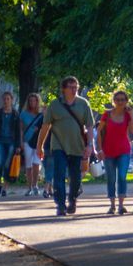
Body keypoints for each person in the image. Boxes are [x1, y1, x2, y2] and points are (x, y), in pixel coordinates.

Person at [35, 76, 95, 217]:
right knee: (59, 175)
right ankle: (60, 205)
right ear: (64, 89)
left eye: (76, 87)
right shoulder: (54, 105)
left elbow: (90, 126)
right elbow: (45, 127)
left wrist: (90, 145)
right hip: (59, 146)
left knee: (75, 177)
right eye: (71, 87)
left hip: (77, 146)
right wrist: (40, 146)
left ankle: (72, 199)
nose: (74, 90)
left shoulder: (83, 104)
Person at [96, 90, 133, 215]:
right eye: (118, 99)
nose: (120, 102)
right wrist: (99, 149)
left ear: (126, 101)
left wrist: (131, 115)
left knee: (121, 177)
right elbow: (99, 131)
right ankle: (112, 205)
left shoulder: (127, 115)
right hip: (108, 151)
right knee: (111, 178)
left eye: (123, 100)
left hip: (124, 150)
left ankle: (121, 205)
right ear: (113, 101)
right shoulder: (107, 114)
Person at [0, 92, 23, 197]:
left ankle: (5, 188)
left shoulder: (16, 114)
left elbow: (18, 131)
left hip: (11, 142)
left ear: (11, 100)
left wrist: (18, 145)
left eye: (8, 99)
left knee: (8, 164)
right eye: (4, 99)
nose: (6, 101)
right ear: (2, 100)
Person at [20, 93, 46, 196]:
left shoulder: (41, 114)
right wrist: (21, 141)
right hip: (27, 141)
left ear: (37, 101)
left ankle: (35, 185)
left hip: (39, 141)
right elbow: (21, 129)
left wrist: (45, 113)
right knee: (28, 165)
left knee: (37, 164)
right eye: (30, 101)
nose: (32, 103)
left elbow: (46, 126)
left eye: (34, 101)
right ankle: (29, 187)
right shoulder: (23, 114)